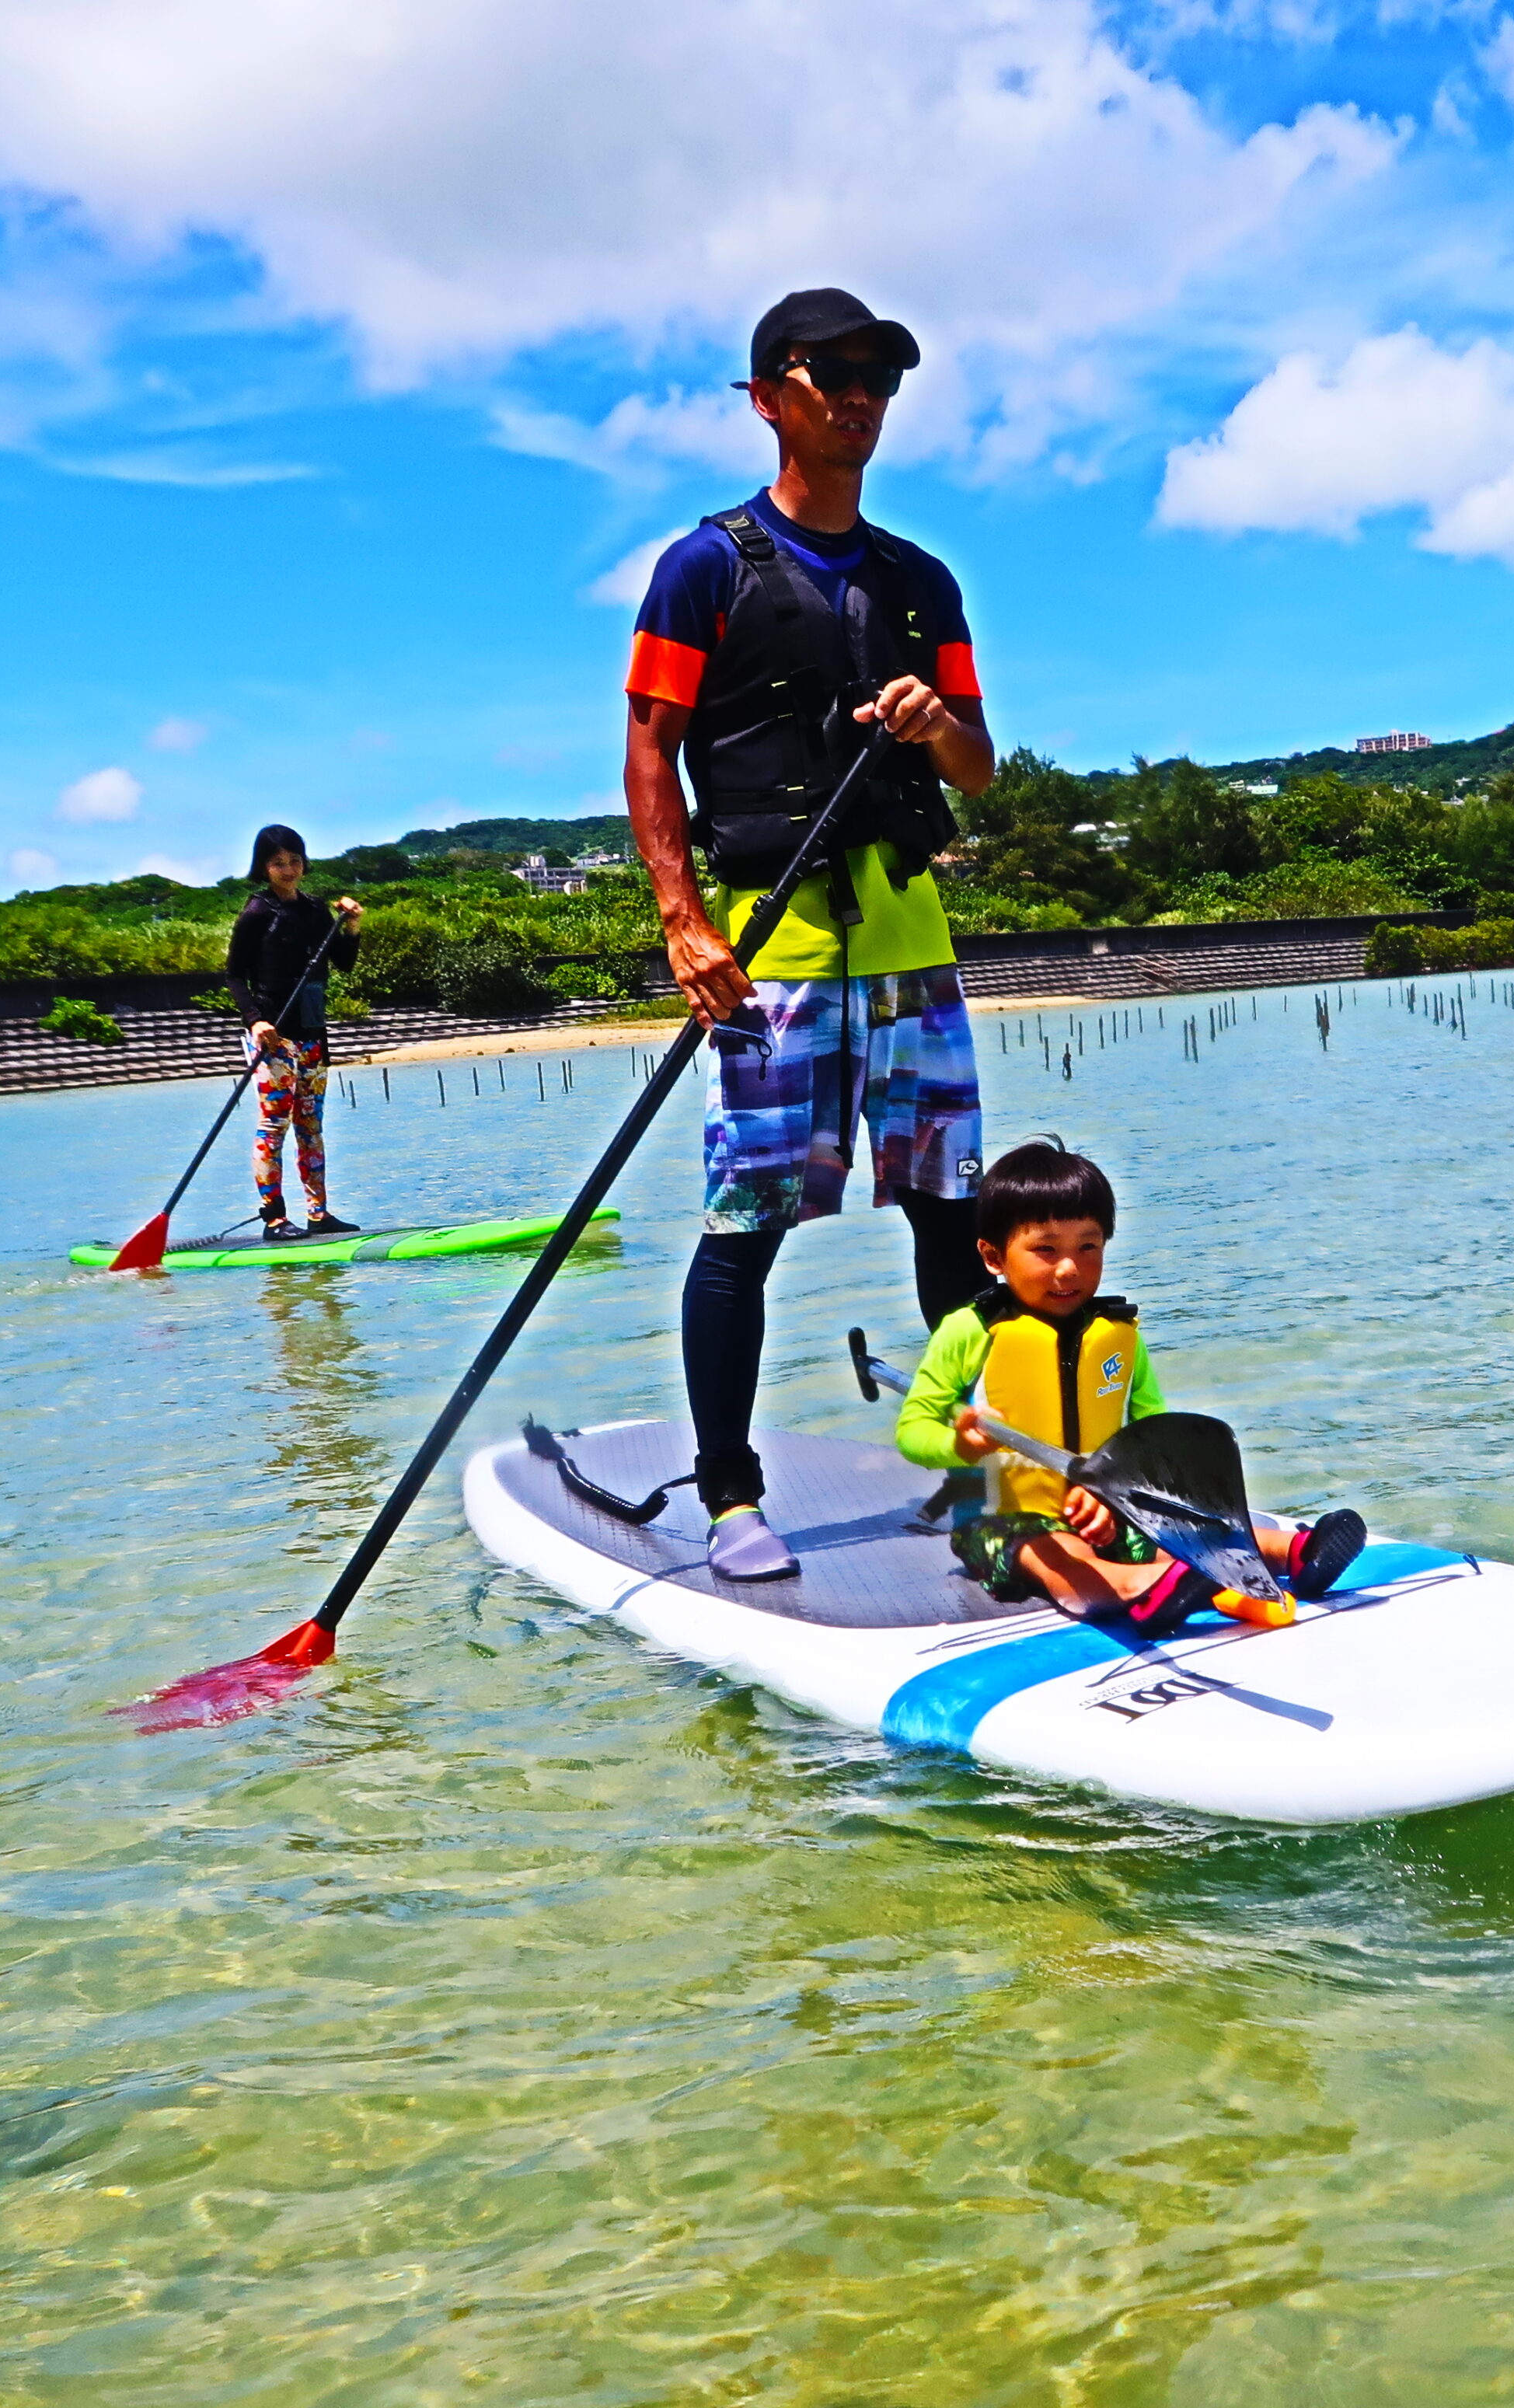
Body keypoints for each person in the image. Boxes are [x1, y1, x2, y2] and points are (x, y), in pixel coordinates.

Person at [626, 286, 997, 1582]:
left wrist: (930, 723)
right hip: (769, 946)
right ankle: (730, 1498)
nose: (859, 394)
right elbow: (650, 750)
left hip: (909, 935)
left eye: (882, 374)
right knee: (747, 1223)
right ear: (768, 395)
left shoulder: (920, 581)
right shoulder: (705, 565)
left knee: (952, 1217)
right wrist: (682, 923)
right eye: (831, 370)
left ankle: (976, 1470)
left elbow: (981, 762)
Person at [894, 1141, 1368, 1638]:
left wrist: (1114, 1500)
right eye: (1045, 1249)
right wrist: (960, 1444)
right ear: (994, 1256)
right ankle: (1139, 1587)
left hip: (1108, 1505)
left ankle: (1296, 1551)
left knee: (1182, 1522)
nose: (1069, 1268)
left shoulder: (1118, 1333)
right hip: (1003, 1524)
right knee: (1056, 1554)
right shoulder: (967, 1332)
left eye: (1088, 1246)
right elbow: (913, 1432)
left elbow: (1150, 1436)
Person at [226, 824, 361, 1241]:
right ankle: (274, 1219)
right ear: (264, 867)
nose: (288, 870)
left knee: (311, 1125)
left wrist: (352, 924)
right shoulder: (257, 913)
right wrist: (255, 1019)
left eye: (295, 861)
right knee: (273, 1126)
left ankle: (319, 1214)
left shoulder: (315, 909)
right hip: (274, 1036)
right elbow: (233, 974)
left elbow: (344, 963)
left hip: (313, 1032)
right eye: (278, 863)